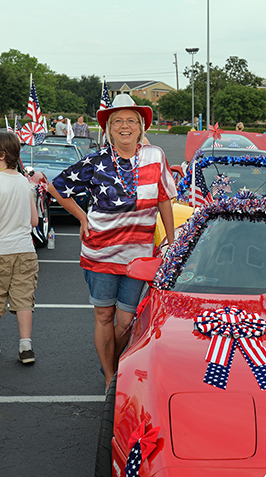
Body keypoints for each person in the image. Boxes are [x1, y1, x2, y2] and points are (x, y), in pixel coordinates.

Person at [47, 94, 177, 391]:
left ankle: (116, 364)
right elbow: (57, 187)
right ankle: (110, 378)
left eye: (131, 120)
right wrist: (82, 218)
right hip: (100, 253)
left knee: (126, 320)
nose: (124, 126)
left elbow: (164, 200)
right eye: (117, 121)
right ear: (108, 129)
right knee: (104, 315)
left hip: (138, 256)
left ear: (141, 127)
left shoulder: (155, 156)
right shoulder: (96, 161)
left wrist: (172, 244)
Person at [0, 132, 39, 364]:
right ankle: (26, 347)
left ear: (2, 155)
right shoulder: (25, 183)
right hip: (25, 249)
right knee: (24, 298)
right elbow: (34, 221)